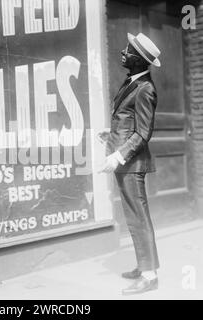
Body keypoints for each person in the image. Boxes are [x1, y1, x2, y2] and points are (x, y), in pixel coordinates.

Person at [98, 33, 161, 295]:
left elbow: (143, 133)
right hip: (125, 161)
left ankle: (149, 275)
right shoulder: (132, 82)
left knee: (139, 218)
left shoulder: (145, 89)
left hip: (131, 163)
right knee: (133, 217)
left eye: (129, 50)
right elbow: (128, 121)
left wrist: (118, 154)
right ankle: (142, 266)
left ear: (139, 60)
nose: (123, 52)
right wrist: (110, 134)